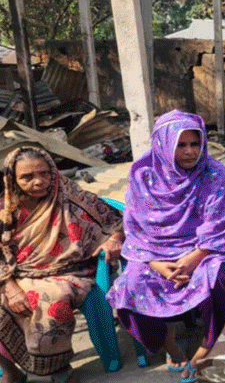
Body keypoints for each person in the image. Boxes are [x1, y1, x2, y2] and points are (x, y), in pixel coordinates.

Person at [106, 110, 225, 383]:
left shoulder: (214, 174)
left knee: (220, 280)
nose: (189, 152)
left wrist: (193, 259)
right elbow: (136, 227)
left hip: (205, 249)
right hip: (154, 252)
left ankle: (207, 347)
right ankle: (170, 344)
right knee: (130, 286)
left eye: (194, 144)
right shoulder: (143, 175)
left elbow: (222, 224)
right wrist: (157, 264)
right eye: (180, 145)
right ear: (163, 144)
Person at [0, 147, 124, 383]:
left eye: (45, 173)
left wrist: (114, 240)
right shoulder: (5, 210)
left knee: (49, 303)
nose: (39, 181)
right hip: (16, 274)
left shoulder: (74, 197)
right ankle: (10, 371)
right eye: (27, 177)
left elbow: (115, 222)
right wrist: (10, 287)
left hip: (70, 271)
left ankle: (57, 371)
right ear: (12, 179)